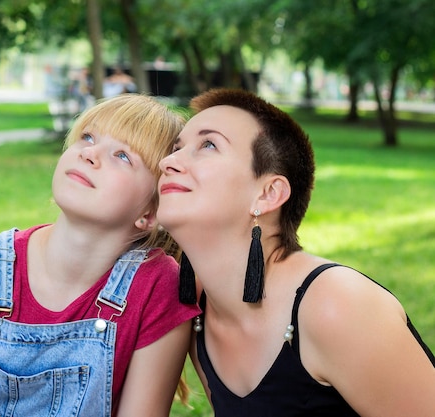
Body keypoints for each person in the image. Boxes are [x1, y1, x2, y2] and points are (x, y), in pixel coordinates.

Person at [0, 93, 200, 417]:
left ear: (149, 212)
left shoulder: (157, 287)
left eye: (122, 156)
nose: (89, 153)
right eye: (88, 137)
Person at [157, 88, 435, 416]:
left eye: (208, 144)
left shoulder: (338, 306)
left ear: (268, 194)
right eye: (177, 148)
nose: (168, 161)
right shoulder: (199, 308)